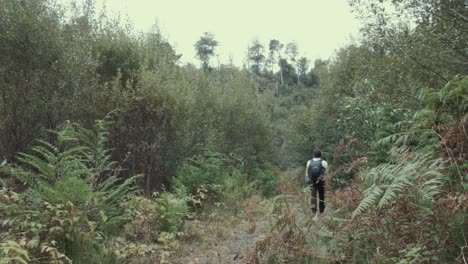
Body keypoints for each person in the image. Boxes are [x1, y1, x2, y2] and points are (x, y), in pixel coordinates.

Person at [305, 149, 328, 219]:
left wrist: (307, 180)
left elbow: (307, 172)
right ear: (320, 155)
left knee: (313, 197)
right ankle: (321, 212)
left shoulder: (309, 162)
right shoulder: (324, 162)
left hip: (312, 181)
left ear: (313, 155)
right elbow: (327, 173)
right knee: (321, 197)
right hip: (321, 181)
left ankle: (314, 213)